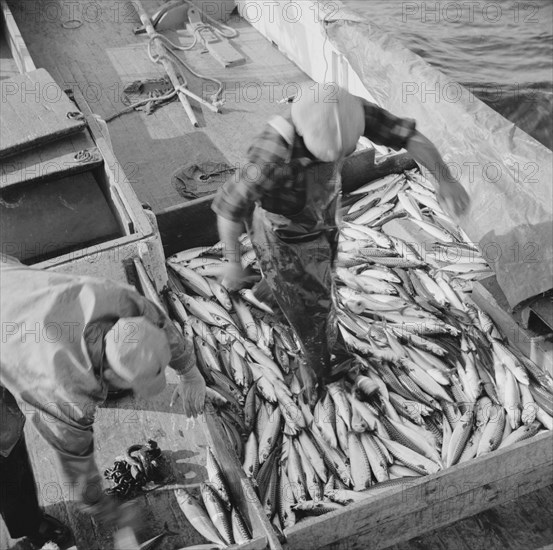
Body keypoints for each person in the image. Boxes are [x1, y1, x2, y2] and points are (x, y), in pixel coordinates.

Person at [212, 82, 469, 394]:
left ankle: (278, 296)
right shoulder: (271, 152)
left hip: (322, 215)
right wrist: (232, 262)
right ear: (305, 138)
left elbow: (410, 137)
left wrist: (446, 179)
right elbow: (229, 207)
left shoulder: (348, 110)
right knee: (316, 310)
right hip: (281, 233)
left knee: (317, 282)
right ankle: (331, 369)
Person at [0, 254, 205, 547]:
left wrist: (189, 371)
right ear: (108, 370)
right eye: (132, 382)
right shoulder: (62, 387)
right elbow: (77, 465)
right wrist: (113, 513)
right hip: (20, 340)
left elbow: (156, 321)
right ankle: (26, 524)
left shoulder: (120, 302)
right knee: (5, 450)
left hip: (8, 280)